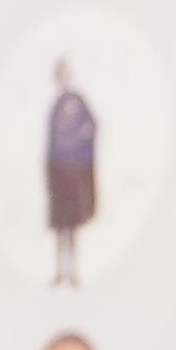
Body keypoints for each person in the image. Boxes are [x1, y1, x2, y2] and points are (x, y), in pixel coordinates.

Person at [46, 56, 98, 284]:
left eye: (66, 74)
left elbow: (92, 127)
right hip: (58, 172)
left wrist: (78, 152)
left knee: (73, 229)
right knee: (60, 228)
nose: (63, 79)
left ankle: (74, 273)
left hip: (73, 171)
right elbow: (50, 142)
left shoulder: (78, 101)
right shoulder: (56, 105)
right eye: (60, 74)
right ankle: (60, 272)